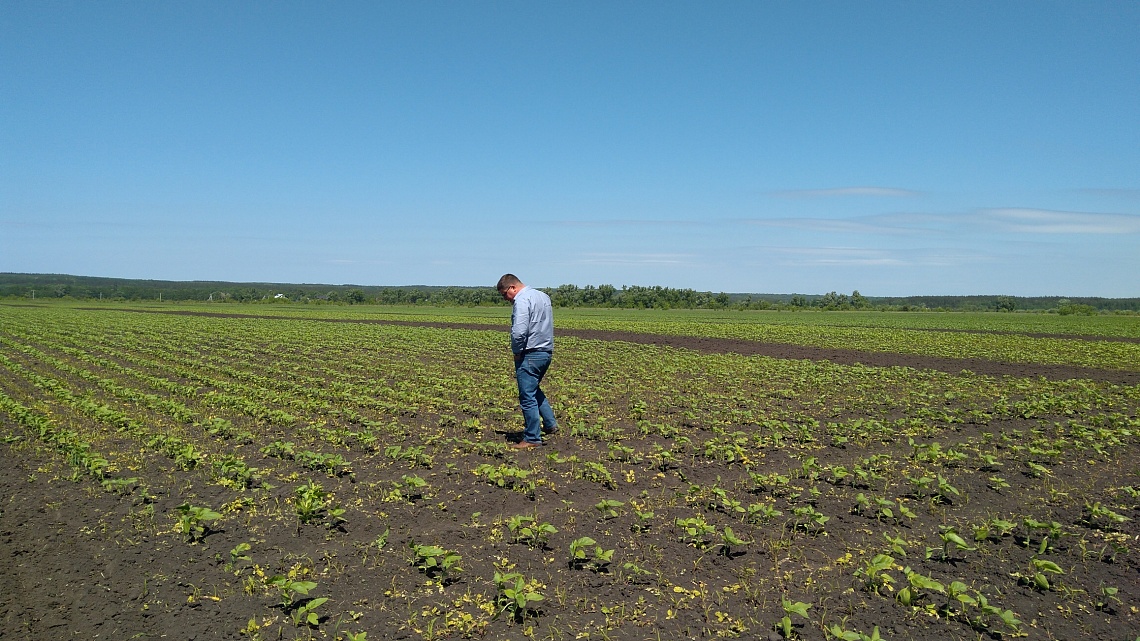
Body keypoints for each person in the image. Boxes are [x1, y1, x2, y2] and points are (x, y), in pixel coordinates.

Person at [497, 273, 557, 449]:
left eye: (504, 294)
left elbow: (519, 331)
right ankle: (550, 423)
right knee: (533, 389)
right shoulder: (543, 296)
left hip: (530, 353)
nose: (505, 299)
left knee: (527, 396)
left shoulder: (522, 300)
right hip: (546, 351)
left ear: (512, 288)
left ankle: (532, 437)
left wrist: (516, 351)